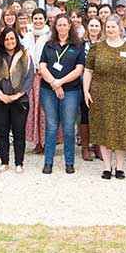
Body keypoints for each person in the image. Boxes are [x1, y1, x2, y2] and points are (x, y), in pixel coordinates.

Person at [84, 14, 126, 180]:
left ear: (120, 28)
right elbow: (88, 71)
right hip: (101, 94)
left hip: (125, 95)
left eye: (113, 27)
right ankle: (106, 166)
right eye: (108, 27)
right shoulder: (97, 48)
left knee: (122, 130)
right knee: (104, 129)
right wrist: (85, 91)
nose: (110, 29)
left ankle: (120, 167)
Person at [38, 14, 86, 175]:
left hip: (71, 91)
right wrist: (54, 83)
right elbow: (42, 67)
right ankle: (48, 162)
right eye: (59, 25)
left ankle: (69, 162)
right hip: (48, 90)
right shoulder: (49, 45)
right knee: (51, 126)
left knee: (68, 127)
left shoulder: (78, 45)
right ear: (55, 27)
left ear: (70, 26)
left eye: (65, 24)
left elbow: (79, 70)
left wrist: (60, 83)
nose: (62, 27)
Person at [0, 28, 34, 173]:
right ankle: (4, 161)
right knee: (2, 131)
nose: (10, 41)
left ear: (16, 40)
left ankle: (19, 163)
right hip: (0, 98)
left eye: (12, 38)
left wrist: (17, 95)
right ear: (2, 40)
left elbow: (29, 77)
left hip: (20, 100)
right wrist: (0, 93)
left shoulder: (25, 55)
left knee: (19, 132)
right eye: (7, 39)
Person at [23, 9, 52, 154]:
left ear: (45, 20)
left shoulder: (49, 36)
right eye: (35, 18)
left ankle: (47, 141)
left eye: (41, 18)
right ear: (31, 19)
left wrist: (44, 69)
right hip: (30, 77)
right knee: (33, 109)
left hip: (45, 76)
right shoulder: (26, 35)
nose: (38, 21)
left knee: (45, 109)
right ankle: (37, 142)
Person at [80, 16, 103, 161]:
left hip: (101, 84)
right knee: (85, 115)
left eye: (97, 26)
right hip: (84, 82)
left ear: (101, 28)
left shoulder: (106, 44)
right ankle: (85, 147)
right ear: (87, 27)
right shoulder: (80, 44)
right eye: (92, 25)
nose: (94, 28)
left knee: (100, 115)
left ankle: (98, 146)